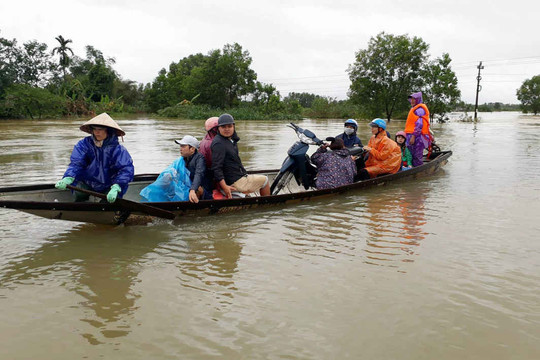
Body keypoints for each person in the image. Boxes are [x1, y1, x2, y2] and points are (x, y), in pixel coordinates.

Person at [55, 113, 134, 202]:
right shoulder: (84, 145)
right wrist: (68, 177)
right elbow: (76, 164)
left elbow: (126, 169)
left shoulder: (118, 150)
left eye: (100, 129)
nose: (97, 132)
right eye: (94, 129)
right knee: (78, 193)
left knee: (109, 202)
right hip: (87, 182)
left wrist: (117, 186)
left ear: (108, 131)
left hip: (110, 185)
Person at [211, 114, 270, 198]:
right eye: (223, 127)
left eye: (229, 126)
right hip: (234, 181)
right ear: (218, 128)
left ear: (233, 127)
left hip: (237, 176)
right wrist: (225, 187)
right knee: (265, 180)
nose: (227, 129)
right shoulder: (219, 143)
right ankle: (266, 205)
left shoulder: (230, 140)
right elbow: (216, 168)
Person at [175, 135, 212, 203]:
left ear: (192, 149)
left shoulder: (200, 159)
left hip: (204, 190)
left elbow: (199, 174)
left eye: (183, 146)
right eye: (180, 146)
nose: (180, 149)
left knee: (198, 189)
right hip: (189, 185)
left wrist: (192, 190)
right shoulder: (183, 159)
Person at [405, 91, 431, 166]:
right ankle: (411, 168)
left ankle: (418, 173)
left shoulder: (420, 110)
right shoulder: (414, 109)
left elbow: (419, 124)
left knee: (417, 156)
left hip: (418, 137)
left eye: (414, 99)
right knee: (410, 155)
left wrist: (413, 136)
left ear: (418, 100)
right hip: (411, 135)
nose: (412, 101)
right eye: (411, 99)